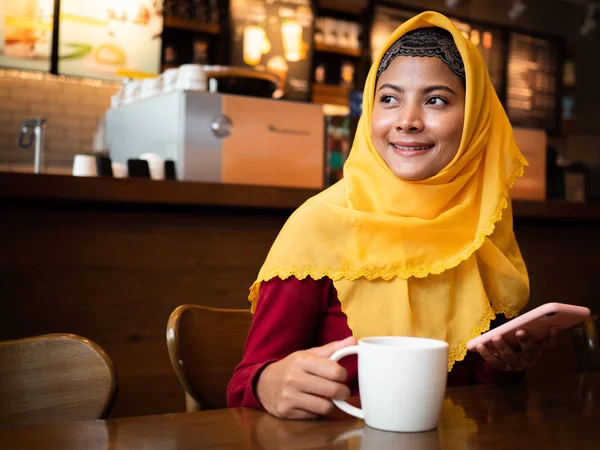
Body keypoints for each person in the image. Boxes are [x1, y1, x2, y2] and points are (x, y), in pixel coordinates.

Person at [227, 11, 557, 419]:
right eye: (389, 99)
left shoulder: (482, 226)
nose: (407, 121)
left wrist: (506, 367)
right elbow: (245, 383)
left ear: (475, 120)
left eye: (436, 100)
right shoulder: (320, 225)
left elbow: (476, 397)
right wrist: (269, 382)